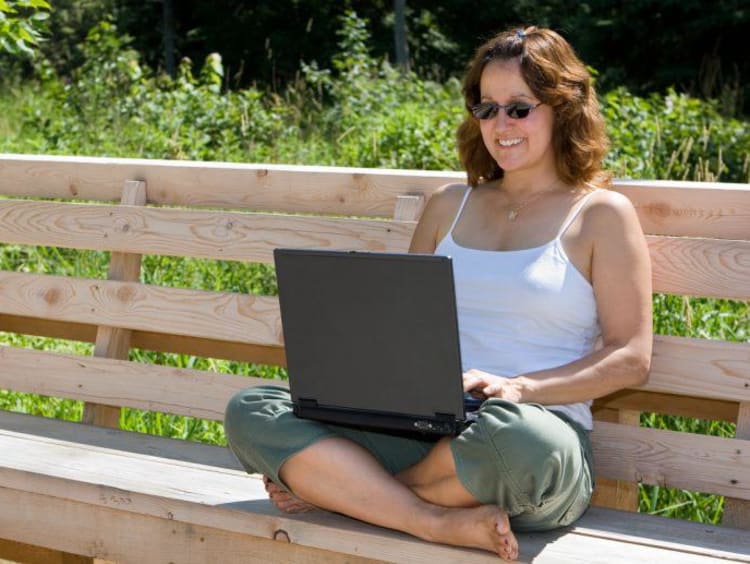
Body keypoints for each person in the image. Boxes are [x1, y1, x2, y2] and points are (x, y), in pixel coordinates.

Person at [224, 26, 652, 561]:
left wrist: (519, 388)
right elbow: (403, 330)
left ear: (563, 107)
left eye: (519, 108)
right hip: (425, 428)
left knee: (520, 440)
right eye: (487, 108)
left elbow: (631, 358)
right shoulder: (449, 206)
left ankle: (344, 492)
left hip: (528, 438)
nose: (501, 125)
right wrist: (332, 340)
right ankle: (430, 520)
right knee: (253, 408)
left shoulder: (601, 215)